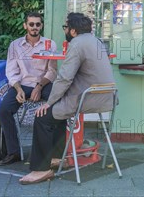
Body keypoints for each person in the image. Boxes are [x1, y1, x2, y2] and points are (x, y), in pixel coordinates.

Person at [18, 12, 116, 185]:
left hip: (87, 98)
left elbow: (64, 78)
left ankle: (41, 169)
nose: (65, 30)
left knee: (42, 116)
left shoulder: (76, 44)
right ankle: (56, 157)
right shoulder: (97, 41)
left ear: (72, 30)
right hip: (107, 98)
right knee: (57, 114)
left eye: (66, 27)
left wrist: (48, 103)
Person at [0, 12, 57, 166]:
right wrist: (17, 89)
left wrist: (39, 86)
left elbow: (52, 71)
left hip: (43, 83)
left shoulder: (49, 44)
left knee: (57, 103)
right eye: (31, 24)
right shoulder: (15, 45)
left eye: (38, 24)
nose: (35, 27)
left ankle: (53, 151)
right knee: (3, 110)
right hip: (22, 84)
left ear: (41, 26)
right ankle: (13, 152)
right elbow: (11, 71)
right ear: (25, 25)